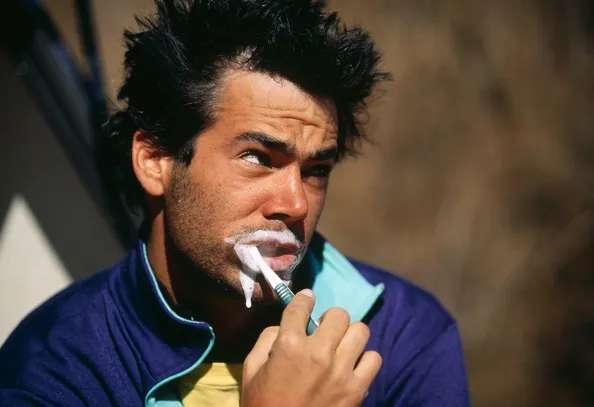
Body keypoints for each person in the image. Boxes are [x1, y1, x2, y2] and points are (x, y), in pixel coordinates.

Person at [0, 0, 470, 405]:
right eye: (258, 158)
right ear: (155, 161)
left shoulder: (404, 337)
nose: (296, 205)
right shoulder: (55, 366)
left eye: (316, 170)